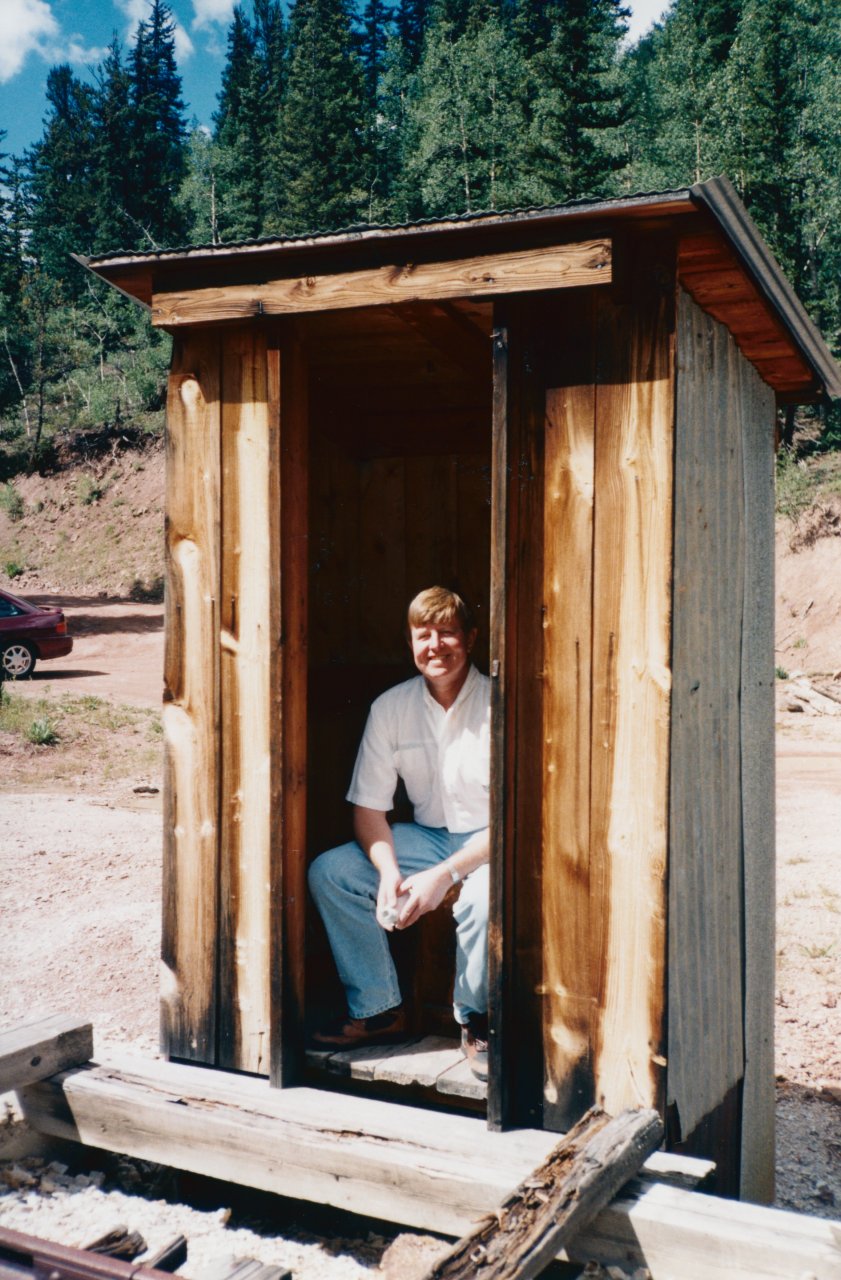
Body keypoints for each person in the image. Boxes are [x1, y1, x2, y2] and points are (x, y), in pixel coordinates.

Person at [308, 586, 491, 1079]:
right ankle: (380, 1010)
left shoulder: (501, 703)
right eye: (423, 635)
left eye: (448, 632)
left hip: (493, 842)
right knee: (332, 872)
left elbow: (516, 819)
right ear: (411, 642)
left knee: (481, 900)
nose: (436, 645)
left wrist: (444, 877)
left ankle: (476, 1020)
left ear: (470, 639)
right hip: (427, 837)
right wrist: (388, 872)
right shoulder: (391, 707)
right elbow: (369, 809)